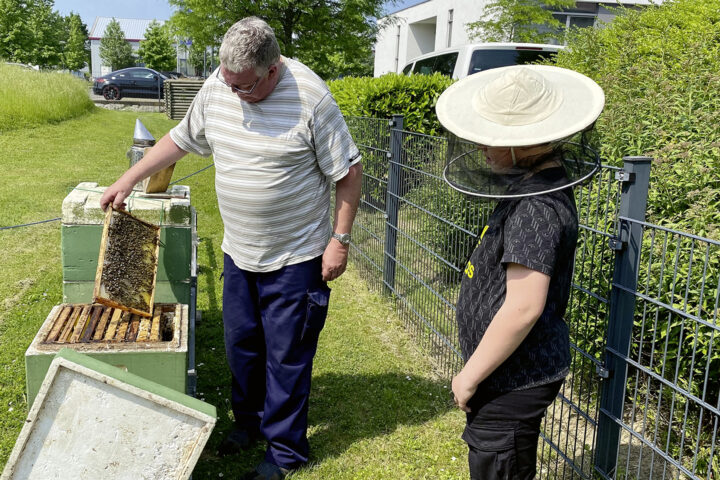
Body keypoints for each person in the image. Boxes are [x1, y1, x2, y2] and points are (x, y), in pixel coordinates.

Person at [100, 16, 362, 480]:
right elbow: (180, 139)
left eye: (246, 87)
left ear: (273, 68)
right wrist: (129, 179)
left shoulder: (312, 98)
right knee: (241, 345)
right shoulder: (220, 85)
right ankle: (249, 424)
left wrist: (339, 241)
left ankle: (284, 453)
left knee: (287, 356)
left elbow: (348, 174)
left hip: (296, 255)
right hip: (239, 251)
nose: (236, 94)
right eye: (229, 83)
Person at [435, 65, 605, 479]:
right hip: (508, 374)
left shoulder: (536, 208)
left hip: (513, 379)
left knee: (499, 463)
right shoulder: (533, 186)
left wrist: (469, 377)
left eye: (494, 138)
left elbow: (524, 307)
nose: (481, 147)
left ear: (525, 143)